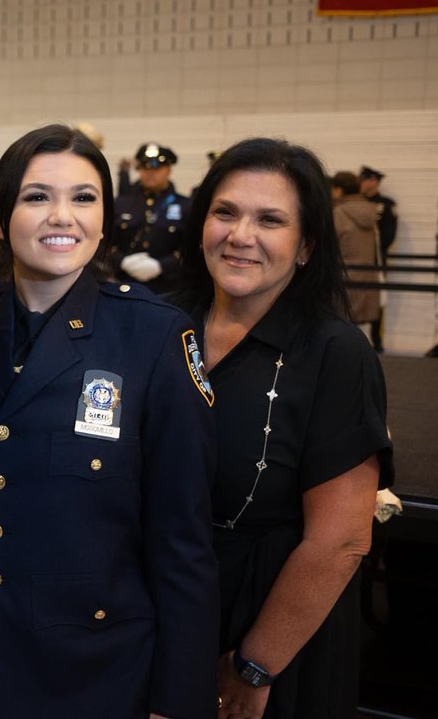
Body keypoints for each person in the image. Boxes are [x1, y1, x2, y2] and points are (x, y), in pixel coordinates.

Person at [0, 125, 218, 718]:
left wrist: (177, 697)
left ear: (106, 218)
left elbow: (182, 540)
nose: (61, 216)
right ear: (3, 212)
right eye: (37, 196)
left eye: (84, 198)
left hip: (96, 674)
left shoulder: (153, 335)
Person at [172, 138, 393, 719]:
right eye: (225, 212)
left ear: (305, 247)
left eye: (270, 220)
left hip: (269, 631)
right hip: (163, 613)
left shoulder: (335, 353)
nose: (241, 235)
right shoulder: (162, 324)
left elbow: (341, 540)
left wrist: (255, 663)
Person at [111, 142, 190, 294]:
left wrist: (163, 266)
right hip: (123, 285)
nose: (151, 172)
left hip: (168, 289)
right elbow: (103, 244)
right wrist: (122, 261)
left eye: (157, 168)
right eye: (145, 167)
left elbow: (192, 250)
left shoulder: (185, 206)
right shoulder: (121, 203)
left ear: (168, 170)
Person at [331, 170, 380, 329]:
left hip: (344, 275)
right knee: (358, 328)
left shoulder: (338, 212)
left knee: (341, 324)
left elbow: (330, 246)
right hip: (367, 275)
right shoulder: (370, 210)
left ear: (339, 190)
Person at [359, 165, 396, 352]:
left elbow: (389, 233)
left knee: (378, 299)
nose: (365, 184)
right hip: (358, 260)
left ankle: (376, 339)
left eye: (369, 180)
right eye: (364, 180)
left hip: (376, 259)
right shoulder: (356, 203)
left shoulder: (385, 204)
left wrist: (377, 252)